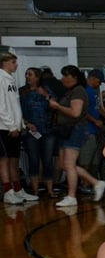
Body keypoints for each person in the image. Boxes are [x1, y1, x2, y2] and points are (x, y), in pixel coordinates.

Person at [48, 65, 105, 208]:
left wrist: (57, 106)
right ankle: (96, 182)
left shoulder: (79, 91)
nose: (63, 79)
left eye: (65, 76)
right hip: (66, 131)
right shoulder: (70, 92)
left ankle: (71, 196)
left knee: (69, 164)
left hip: (75, 130)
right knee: (65, 165)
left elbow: (75, 112)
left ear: (74, 77)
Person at [0, 52, 33, 205]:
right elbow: (1, 106)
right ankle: (8, 192)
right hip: (4, 127)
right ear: (5, 63)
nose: (16, 65)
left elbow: (14, 105)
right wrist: (11, 125)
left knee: (14, 160)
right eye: (13, 62)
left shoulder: (10, 79)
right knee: (4, 160)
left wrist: (21, 124)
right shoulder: (0, 78)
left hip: (14, 127)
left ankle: (18, 190)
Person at [19, 66, 56, 198]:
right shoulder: (22, 92)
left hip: (48, 130)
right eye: (26, 74)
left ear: (37, 77)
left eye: (30, 74)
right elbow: (18, 111)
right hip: (31, 131)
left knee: (48, 160)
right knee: (33, 160)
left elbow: (55, 106)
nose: (27, 77)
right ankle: (35, 191)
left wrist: (46, 95)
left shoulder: (46, 90)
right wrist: (27, 124)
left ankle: (50, 190)